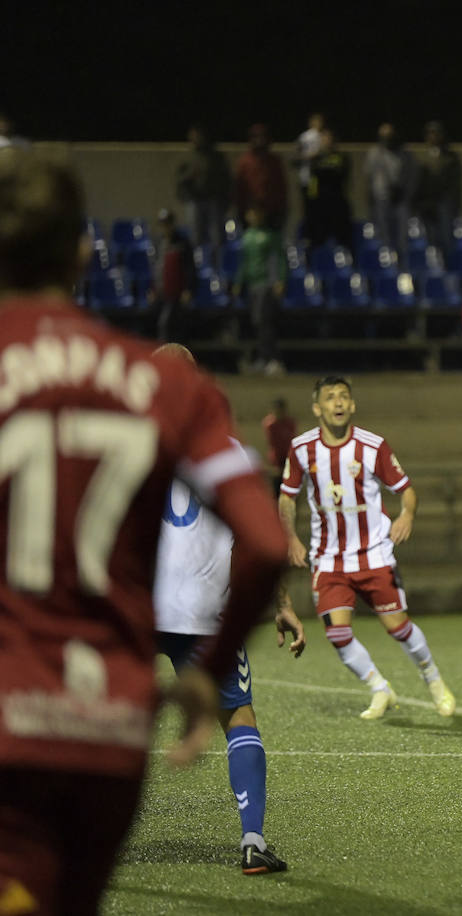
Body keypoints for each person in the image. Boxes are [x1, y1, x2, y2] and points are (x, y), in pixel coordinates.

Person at [0, 154, 286, 914]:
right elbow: (263, 543)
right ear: (82, 253)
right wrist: (208, 667)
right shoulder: (164, 387)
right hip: (103, 732)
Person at [152, 343, 305, 875]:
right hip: (202, 614)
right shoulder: (229, 453)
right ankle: (253, 842)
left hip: (135, 610)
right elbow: (260, 543)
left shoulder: (123, 445)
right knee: (238, 716)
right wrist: (281, 603)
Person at [278, 376, 456, 719]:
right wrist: (290, 537)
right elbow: (287, 497)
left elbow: (406, 489)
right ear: (317, 408)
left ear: (353, 405)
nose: (338, 403)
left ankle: (433, 679)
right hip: (329, 558)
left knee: (398, 628)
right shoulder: (302, 448)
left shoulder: (372, 446)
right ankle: (379, 688)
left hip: (373, 552)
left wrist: (407, 513)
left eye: (344, 396)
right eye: (330, 398)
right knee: (338, 633)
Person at [231, 204, 286, 376]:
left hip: (266, 284)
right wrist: (239, 282)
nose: (253, 216)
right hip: (253, 285)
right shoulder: (247, 237)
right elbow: (244, 262)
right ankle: (263, 359)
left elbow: (280, 259)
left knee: (265, 322)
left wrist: (280, 280)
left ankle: (272, 360)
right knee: (257, 322)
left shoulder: (270, 236)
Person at [175, 125, 232, 247]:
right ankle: (198, 262)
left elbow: (226, 179)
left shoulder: (216, 157)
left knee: (216, 236)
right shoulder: (187, 157)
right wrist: (190, 177)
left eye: (199, 135)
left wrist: (226, 200)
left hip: (214, 201)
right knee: (196, 236)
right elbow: (179, 180)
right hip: (194, 201)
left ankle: (216, 264)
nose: (197, 139)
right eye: (194, 136)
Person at [364, 123, 415, 253]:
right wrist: (371, 198)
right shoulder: (374, 153)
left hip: (400, 199)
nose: (387, 139)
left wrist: (404, 192)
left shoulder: (404, 154)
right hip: (381, 198)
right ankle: (387, 267)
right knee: (383, 236)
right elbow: (369, 176)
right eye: (384, 136)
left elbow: (410, 176)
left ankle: (402, 266)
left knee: (402, 236)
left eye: (390, 136)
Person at [413, 120, 462, 247]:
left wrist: (455, 204)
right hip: (426, 204)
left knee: (446, 238)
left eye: (436, 133)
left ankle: (446, 265)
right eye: (430, 133)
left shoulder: (451, 157)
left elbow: (455, 184)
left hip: (444, 203)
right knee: (429, 238)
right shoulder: (422, 158)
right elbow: (418, 182)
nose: (433, 137)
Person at [302, 128, 353, 252]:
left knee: (343, 240)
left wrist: (324, 170)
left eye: (328, 138)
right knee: (317, 240)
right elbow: (314, 176)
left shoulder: (342, 157)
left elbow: (339, 174)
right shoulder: (315, 158)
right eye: (323, 138)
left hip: (337, 204)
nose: (326, 141)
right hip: (319, 206)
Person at [233, 124, 288, 231]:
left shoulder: (274, 161)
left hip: (272, 211)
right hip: (251, 212)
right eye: (256, 137)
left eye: (263, 137)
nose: (259, 140)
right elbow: (239, 187)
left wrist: (282, 208)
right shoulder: (245, 161)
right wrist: (242, 209)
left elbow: (281, 186)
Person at [152, 208, 195, 342]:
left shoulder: (182, 242)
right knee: (161, 324)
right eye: (162, 224)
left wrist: (188, 289)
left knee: (167, 324)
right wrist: (153, 289)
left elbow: (190, 267)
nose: (165, 227)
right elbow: (156, 268)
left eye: (167, 223)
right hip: (161, 292)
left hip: (176, 293)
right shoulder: (159, 243)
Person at [293, 112, 326, 240]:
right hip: (308, 178)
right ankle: (308, 236)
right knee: (308, 208)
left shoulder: (324, 136)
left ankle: (319, 235)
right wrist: (309, 156)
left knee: (320, 209)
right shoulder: (305, 136)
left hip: (322, 179)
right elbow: (295, 156)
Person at [262, 397, 297, 491]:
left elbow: (292, 440)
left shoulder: (289, 423)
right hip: (276, 460)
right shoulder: (271, 424)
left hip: (288, 458)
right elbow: (273, 444)